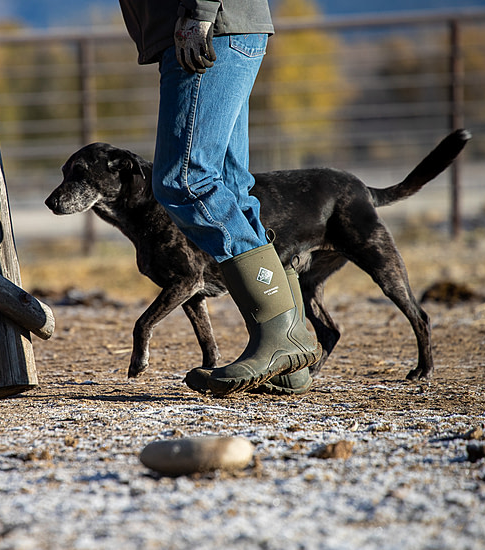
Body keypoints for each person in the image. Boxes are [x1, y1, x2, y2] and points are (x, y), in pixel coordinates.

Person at [117, 0, 321, 396]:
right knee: (229, 184)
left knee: (184, 180)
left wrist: (201, 12)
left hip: (206, 28)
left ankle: (279, 335)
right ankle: (290, 346)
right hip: (220, 28)